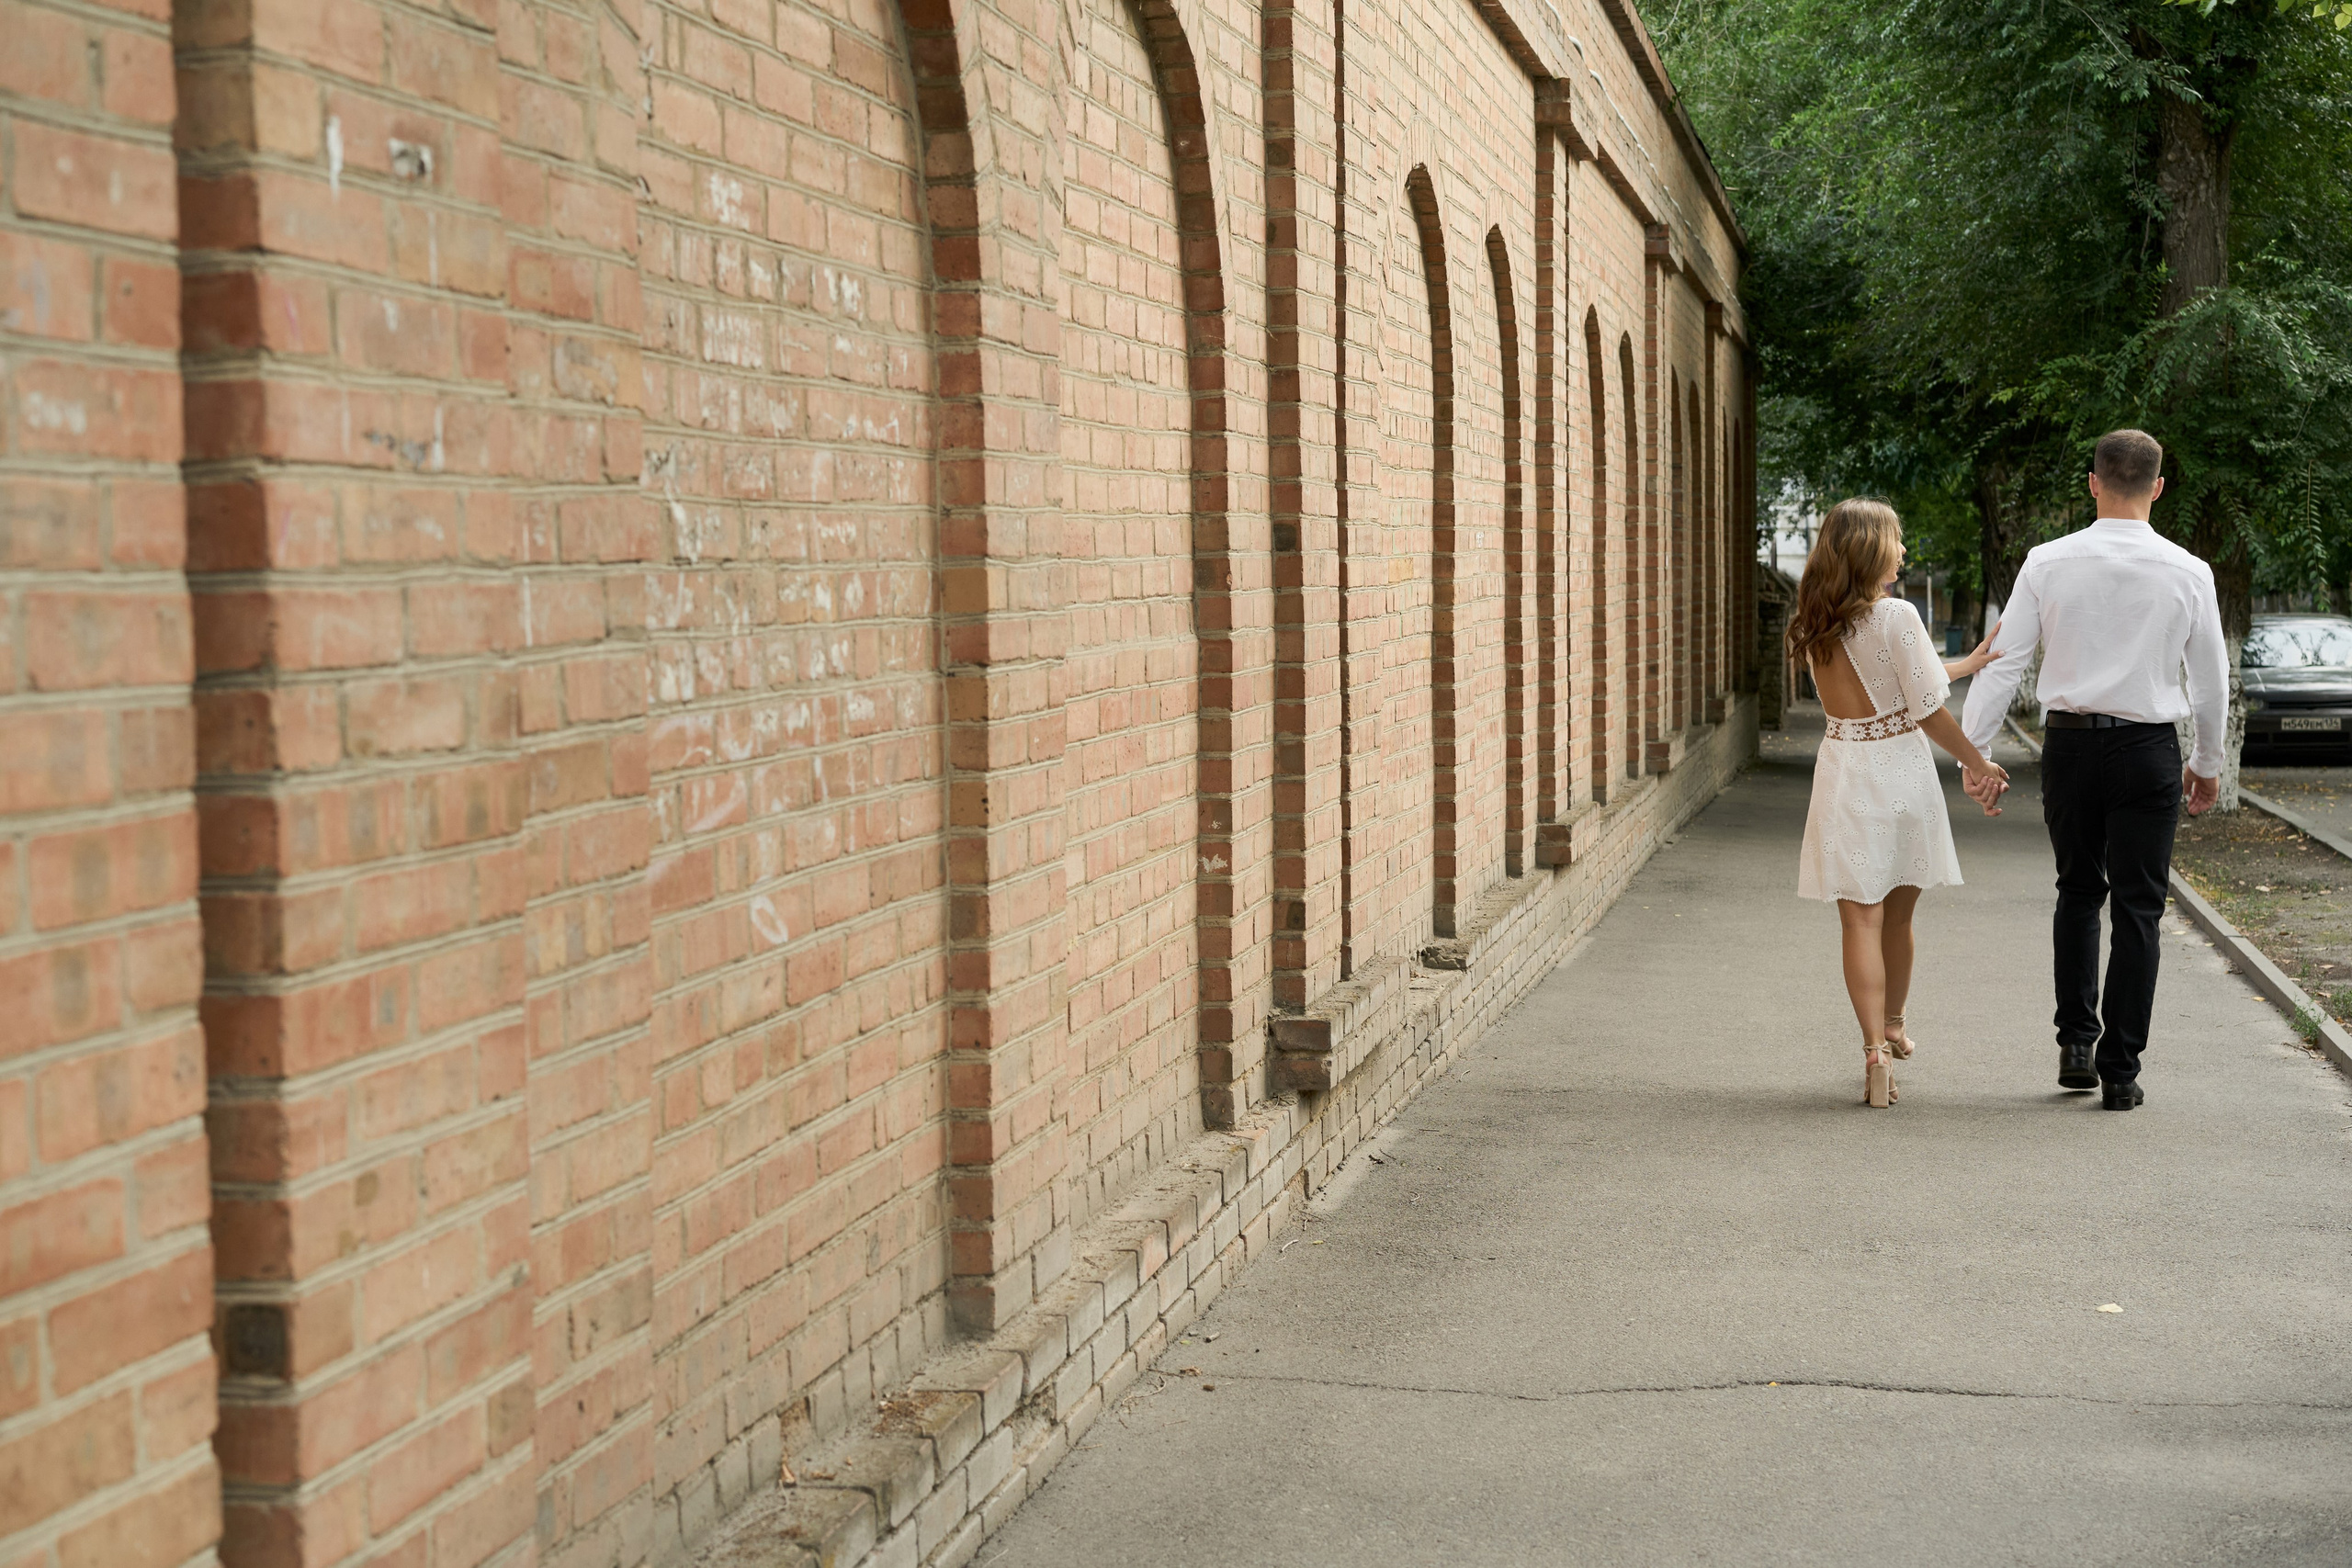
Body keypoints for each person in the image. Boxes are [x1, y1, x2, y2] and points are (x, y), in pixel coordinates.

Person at [1959, 429, 2226, 1110]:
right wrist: (2207, 761)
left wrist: (1975, 752)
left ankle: (2077, 1041)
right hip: (2148, 751)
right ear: (2158, 488)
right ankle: (2121, 1070)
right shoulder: (2189, 570)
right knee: (2140, 906)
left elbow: (2005, 658)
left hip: (2072, 748)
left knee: (2079, 890)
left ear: (2094, 482)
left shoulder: (2048, 562)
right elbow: (2210, 681)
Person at [1792, 500, 2011, 1107]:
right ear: (1869, 549)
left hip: (1843, 770)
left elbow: (1898, 676)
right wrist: (1978, 762)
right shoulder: (1899, 615)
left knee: (1857, 918)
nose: (1904, 552)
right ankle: (1894, 1019)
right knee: (1898, 916)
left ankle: (1873, 1048)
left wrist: (1967, 663)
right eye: (1896, 540)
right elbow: (1922, 707)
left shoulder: (1818, 617)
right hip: (1900, 775)